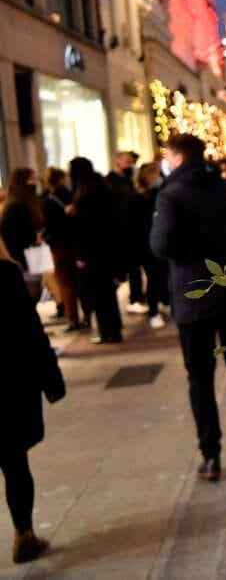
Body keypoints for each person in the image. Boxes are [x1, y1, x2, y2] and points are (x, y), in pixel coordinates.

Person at [150, 134, 226, 482]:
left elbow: (160, 245)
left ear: (178, 158)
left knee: (199, 377)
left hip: (193, 298)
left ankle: (210, 455)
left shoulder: (170, 195)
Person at [0, 237, 65, 564]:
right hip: (8, 385)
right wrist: (50, 377)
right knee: (14, 462)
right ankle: (23, 534)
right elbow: (30, 331)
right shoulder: (6, 274)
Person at [69, 158, 123, 344]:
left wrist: (81, 255)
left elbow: (85, 229)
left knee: (98, 293)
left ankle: (107, 330)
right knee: (107, 292)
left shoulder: (86, 195)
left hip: (92, 252)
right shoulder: (101, 187)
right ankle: (113, 329)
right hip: (106, 248)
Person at [126, 163, 170, 329]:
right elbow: (134, 226)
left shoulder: (156, 193)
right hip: (145, 245)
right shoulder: (136, 198)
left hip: (157, 241)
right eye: (156, 174)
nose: (159, 177)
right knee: (153, 278)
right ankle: (154, 311)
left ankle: (163, 301)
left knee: (160, 275)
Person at [42, 168, 82, 331]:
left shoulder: (47, 200)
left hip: (58, 246)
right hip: (74, 243)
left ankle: (72, 317)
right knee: (78, 281)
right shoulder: (73, 196)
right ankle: (87, 314)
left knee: (65, 283)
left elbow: (46, 225)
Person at [108, 151, 145, 314]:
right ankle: (135, 297)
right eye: (127, 161)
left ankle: (137, 296)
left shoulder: (130, 179)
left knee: (135, 267)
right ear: (117, 161)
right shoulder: (111, 181)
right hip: (121, 230)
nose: (130, 165)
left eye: (131, 162)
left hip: (133, 229)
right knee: (129, 268)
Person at [1, 168, 44, 271]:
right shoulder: (17, 205)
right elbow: (19, 232)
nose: (34, 183)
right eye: (31, 179)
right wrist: (34, 238)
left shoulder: (19, 202)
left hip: (26, 252)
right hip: (22, 254)